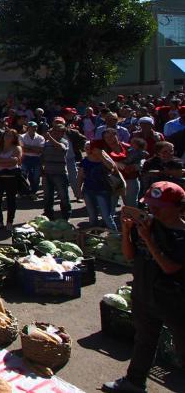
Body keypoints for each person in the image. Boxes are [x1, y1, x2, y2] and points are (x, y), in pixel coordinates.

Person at [102, 181, 185, 393]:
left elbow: (169, 267)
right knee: (144, 340)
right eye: (149, 204)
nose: (152, 209)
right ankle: (134, 382)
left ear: (177, 206)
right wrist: (126, 229)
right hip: (144, 291)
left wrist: (149, 240)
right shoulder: (145, 225)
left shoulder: (180, 234)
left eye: (159, 205)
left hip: (174, 298)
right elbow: (130, 256)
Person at [79, 140, 120, 231]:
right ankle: (94, 235)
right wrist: (78, 190)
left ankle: (116, 236)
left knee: (106, 216)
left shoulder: (105, 159)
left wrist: (101, 156)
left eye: (92, 148)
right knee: (92, 216)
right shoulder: (85, 161)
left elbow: (111, 168)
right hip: (88, 190)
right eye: (87, 148)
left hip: (103, 191)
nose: (89, 150)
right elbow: (80, 176)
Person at [41, 123, 73, 221]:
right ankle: (49, 216)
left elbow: (61, 148)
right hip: (47, 173)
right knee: (48, 197)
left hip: (60, 173)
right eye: (54, 131)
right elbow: (42, 156)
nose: (55, 133)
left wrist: (49, 138)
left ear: (63, 133)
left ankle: (65, 216)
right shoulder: (46, 143)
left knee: (63, 197)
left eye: (58, 131)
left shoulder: (65, 142)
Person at [0, 129, 22, 230]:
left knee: (11, 199)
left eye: (10, 136)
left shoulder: (17, 148)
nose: (8, 137)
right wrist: (7, 161)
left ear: (14, 138)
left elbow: (14, 162)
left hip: (11, 177)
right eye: (6, 135)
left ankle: (9, 222)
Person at [19, 122, 45, 197]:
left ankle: (33, 192)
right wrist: (35, 149)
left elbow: (41, 150)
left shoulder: (40, 137)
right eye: (33, 127)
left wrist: (28, 146)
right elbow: (22, 149)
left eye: (36, 127)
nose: (34, 128)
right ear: (28, 128)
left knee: (35, 177)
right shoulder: (22, 136)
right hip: (25, 158)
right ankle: (23, 192)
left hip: (36, 159)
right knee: (23, 176)